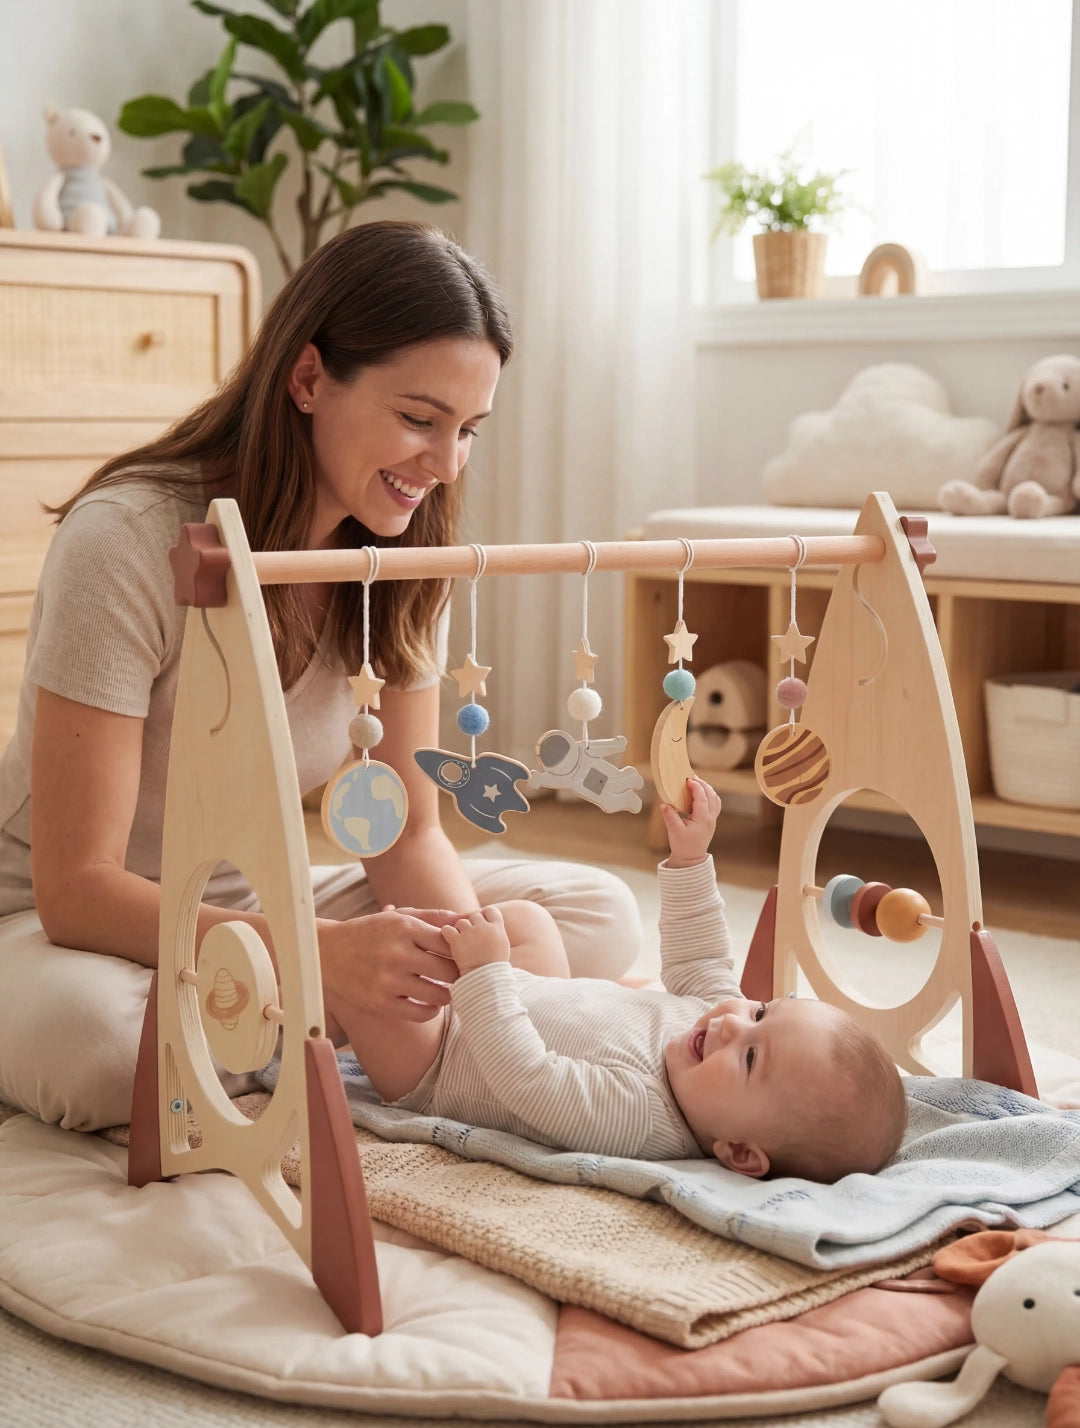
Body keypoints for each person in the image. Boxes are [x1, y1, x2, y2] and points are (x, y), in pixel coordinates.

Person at [0, 220, 642, 1133]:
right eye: (419, 419)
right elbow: (78, 888)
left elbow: (408, 835)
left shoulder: (401, 562)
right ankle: (319, 1016)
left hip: (253, 900)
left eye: (467, 430)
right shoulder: (128, 540)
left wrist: (485, 986)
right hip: (63, 929)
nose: (445, 462)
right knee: (102, 1053)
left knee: (595, 911)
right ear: (307, 379)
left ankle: (290, 1024)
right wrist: (318, 958)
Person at [341, 779, 908, 1184]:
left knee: (378, 995)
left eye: (752, 1059)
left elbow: (529, 1077)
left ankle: (331, 970)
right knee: (528, 922)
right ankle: (430, 948)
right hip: (522, 993)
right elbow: (701, 957)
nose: (734, 1023)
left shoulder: (642, 1118)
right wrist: (691, 860)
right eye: (762, 1011)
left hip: (441, 1060)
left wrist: (486, 975)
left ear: (738, 1152)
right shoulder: (712, 1024)